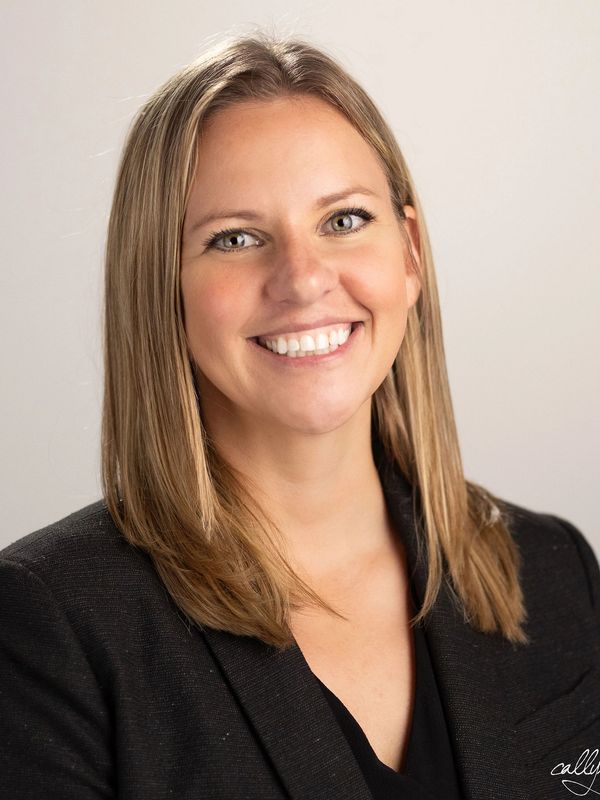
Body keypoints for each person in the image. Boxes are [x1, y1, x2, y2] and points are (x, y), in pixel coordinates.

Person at [1, 31, 599, 800]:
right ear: (160, 288)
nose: (304, 279)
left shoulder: (553, 570)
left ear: (409, 254)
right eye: (237, 237)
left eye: (344, 220)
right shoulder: (51, 629)